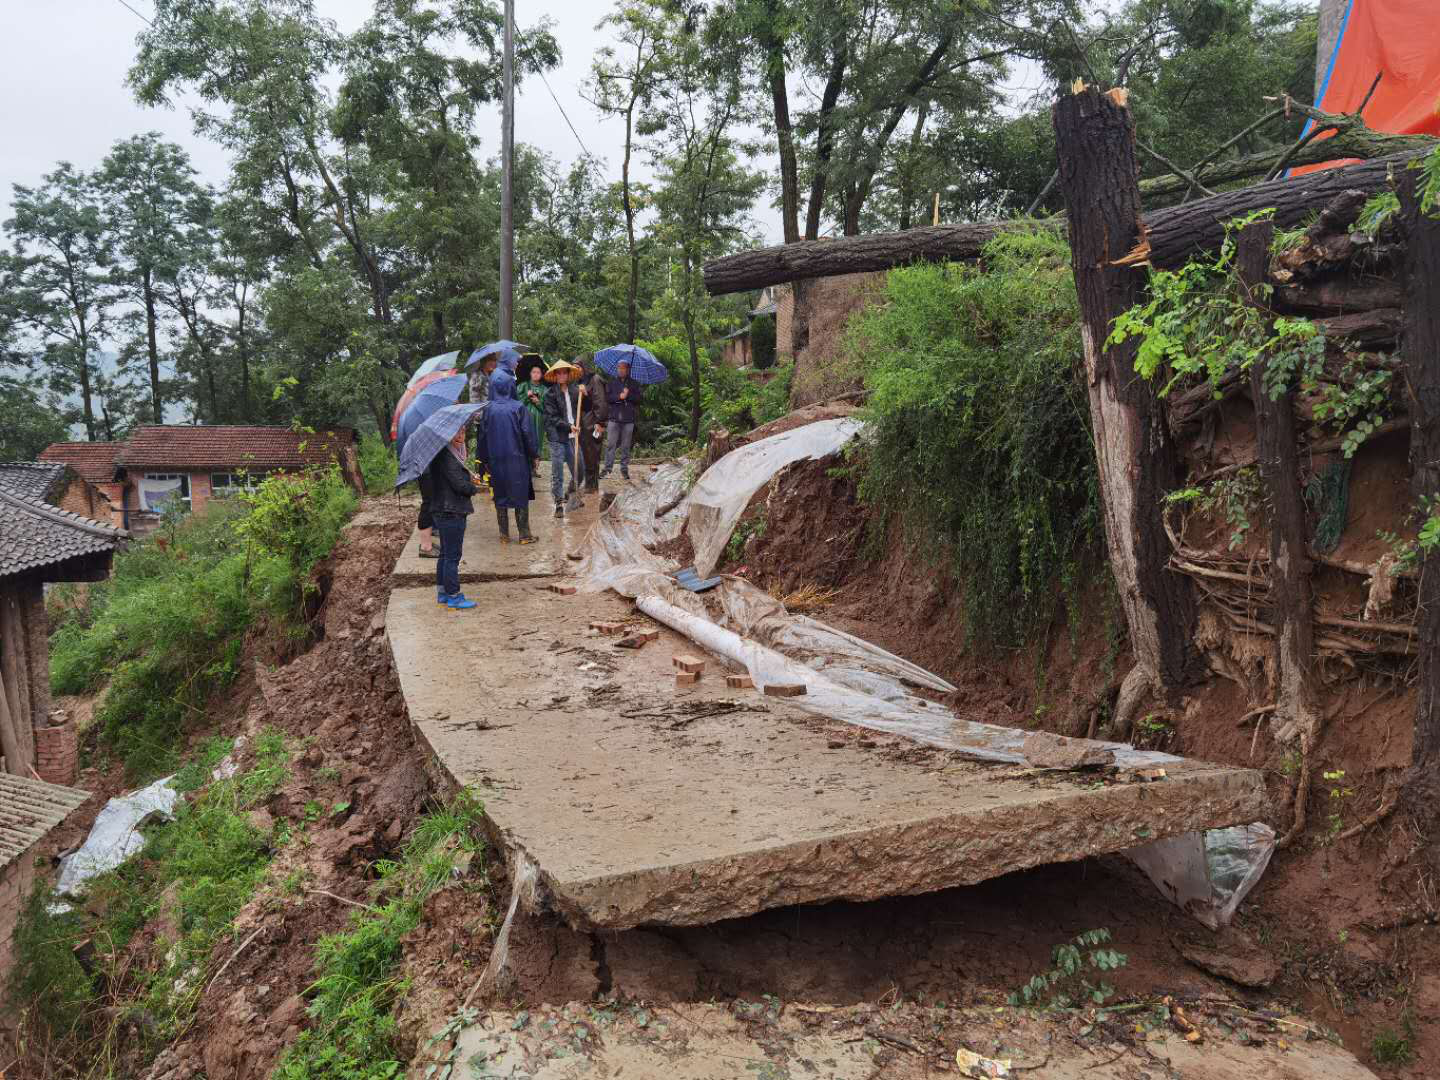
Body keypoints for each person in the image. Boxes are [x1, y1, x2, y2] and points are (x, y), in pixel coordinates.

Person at [428, 426, 482, 610]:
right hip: (451, 511)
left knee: (444, 553)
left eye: (463, 432)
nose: (460, 436)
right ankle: (454, 596)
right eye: (456, 433)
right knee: (452, 556)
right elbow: (459, 485)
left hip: (443, 510)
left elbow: (456, 478)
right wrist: (473, 487)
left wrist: (468, 477)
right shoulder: (447, 456)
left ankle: (443, 593)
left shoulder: (446, 453)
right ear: (447, 435)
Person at [485, 368, 540, 543]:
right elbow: (528, 435)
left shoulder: (489, 409)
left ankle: (504, 535)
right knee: (520, 494)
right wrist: (534, 455)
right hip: (517, 460)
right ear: (511, 387)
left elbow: (483, 436)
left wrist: (483, 461)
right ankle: (524, 534)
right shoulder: (519, 408)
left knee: (499, 494)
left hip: (496, 460)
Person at [542, 358, 585, 517]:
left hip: (574, 436)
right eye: (558, 373)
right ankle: (559, 503)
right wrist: (569, 426)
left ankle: (571, 493)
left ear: (568, 374)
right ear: (555, 375)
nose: (561, 375)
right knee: (557, 471)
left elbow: (584, 408)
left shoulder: (575, 391)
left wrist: (584, 393)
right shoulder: (550, 394)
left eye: (564, 372)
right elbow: (551, 418)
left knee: (580, 469)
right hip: (557, 437)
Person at [601, 359, 644, 480]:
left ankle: (624, 469)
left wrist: (628, 395)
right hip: (614, 418)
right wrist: (619, 396)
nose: (620, 370)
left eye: (623, 367)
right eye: (619, 367)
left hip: (628, 419)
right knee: (610, 444)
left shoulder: (634, 384)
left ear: (628, 369)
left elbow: (639, 399)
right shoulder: (612, 383)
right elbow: (607, 398)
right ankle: (607, 468)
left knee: (625, 446)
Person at [577, 355, 605, 494]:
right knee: (584, 453)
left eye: (578, 367)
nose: (577, 370)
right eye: (574, 368)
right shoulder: (577, 381)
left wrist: (600, 423)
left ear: (584, 367)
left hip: (593, 422)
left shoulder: (595, 380)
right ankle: (588, 484)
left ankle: (592, 485)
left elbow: (600, 402)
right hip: (581, 423)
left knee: (593, 453)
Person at [515, 357, 547, 474]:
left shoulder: (545, 389)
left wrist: (537, 402)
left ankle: (535, 468)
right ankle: (525, 467)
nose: (536, 374)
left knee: (537, 441)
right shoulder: (523, 386)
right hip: (524, 419)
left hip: (539, 420)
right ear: (530, 373)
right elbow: (516, 404)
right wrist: (526, 397)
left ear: (542, 375)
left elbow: (547, 409)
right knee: (524, 440)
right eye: (533, 372)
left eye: (538, 372)